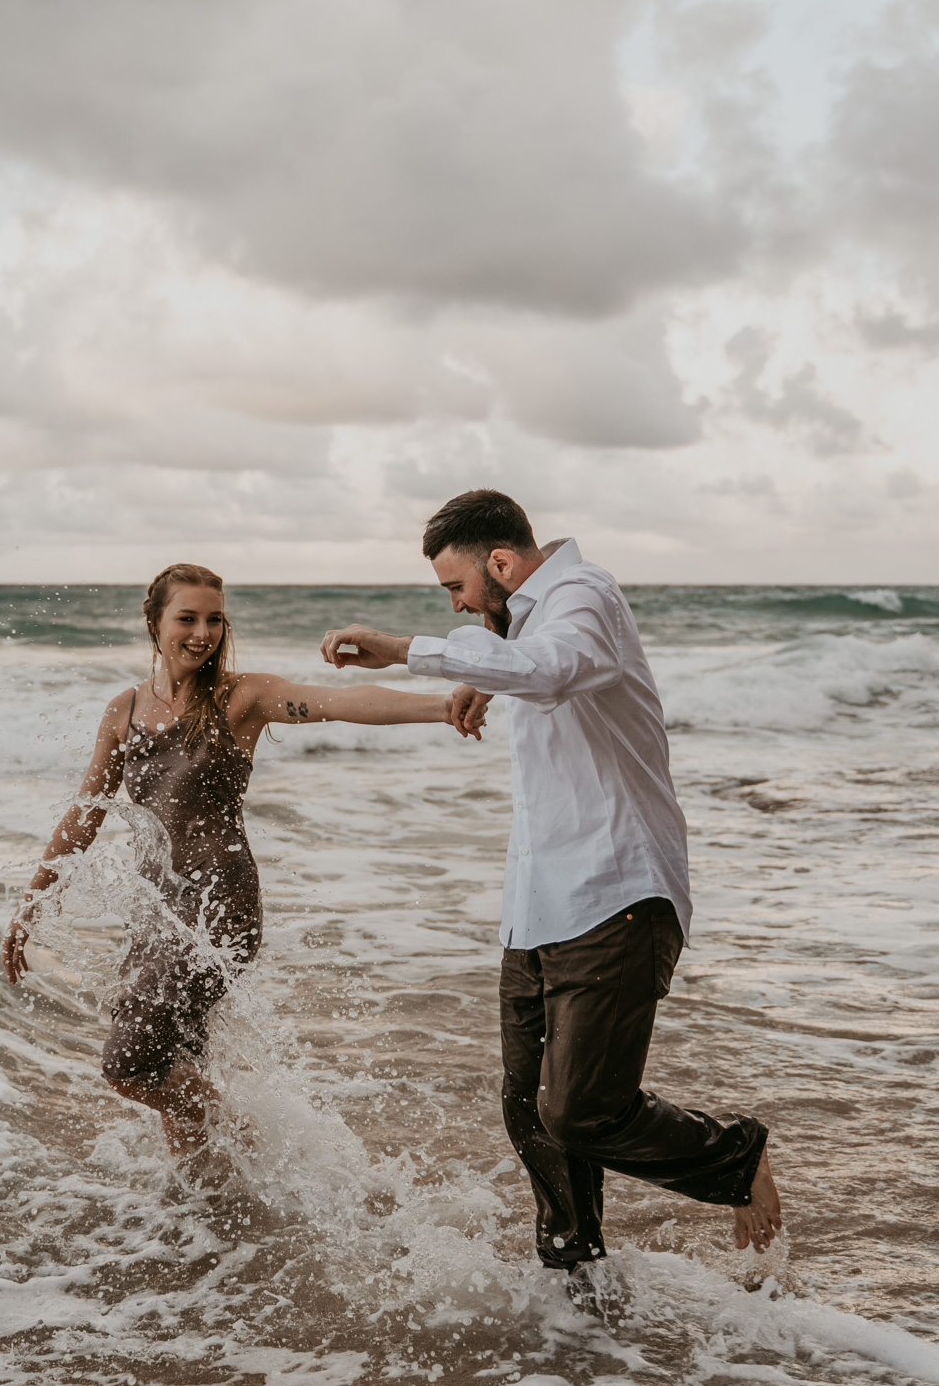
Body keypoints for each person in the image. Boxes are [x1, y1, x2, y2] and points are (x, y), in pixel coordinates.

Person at [320, 490, 782, 1269]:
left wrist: (410, 647)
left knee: (581, 1112)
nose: (462, 608)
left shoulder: (581, 592)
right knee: (527, 1109)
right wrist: (489, 679)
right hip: (537, 909)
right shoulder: (531, 627)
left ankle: (735, 1155)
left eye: (458, 590)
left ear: (501, 563)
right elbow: (538, 665)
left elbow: (562, 663)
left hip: (616, 896)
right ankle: (577, 1284)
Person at [2, 561, 478, 1153]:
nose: (202, 633)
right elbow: (84, 815)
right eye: (188, 618)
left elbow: (340, 701)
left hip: (221, 907)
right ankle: (206, 1199)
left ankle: (246, 1134)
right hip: (158, 915)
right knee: (176, 1063)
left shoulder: (241, 698)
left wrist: (441, 707)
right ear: (155, 622)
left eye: (215, 620)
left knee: (130, 1063)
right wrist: (34, 902)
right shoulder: (123, 710)